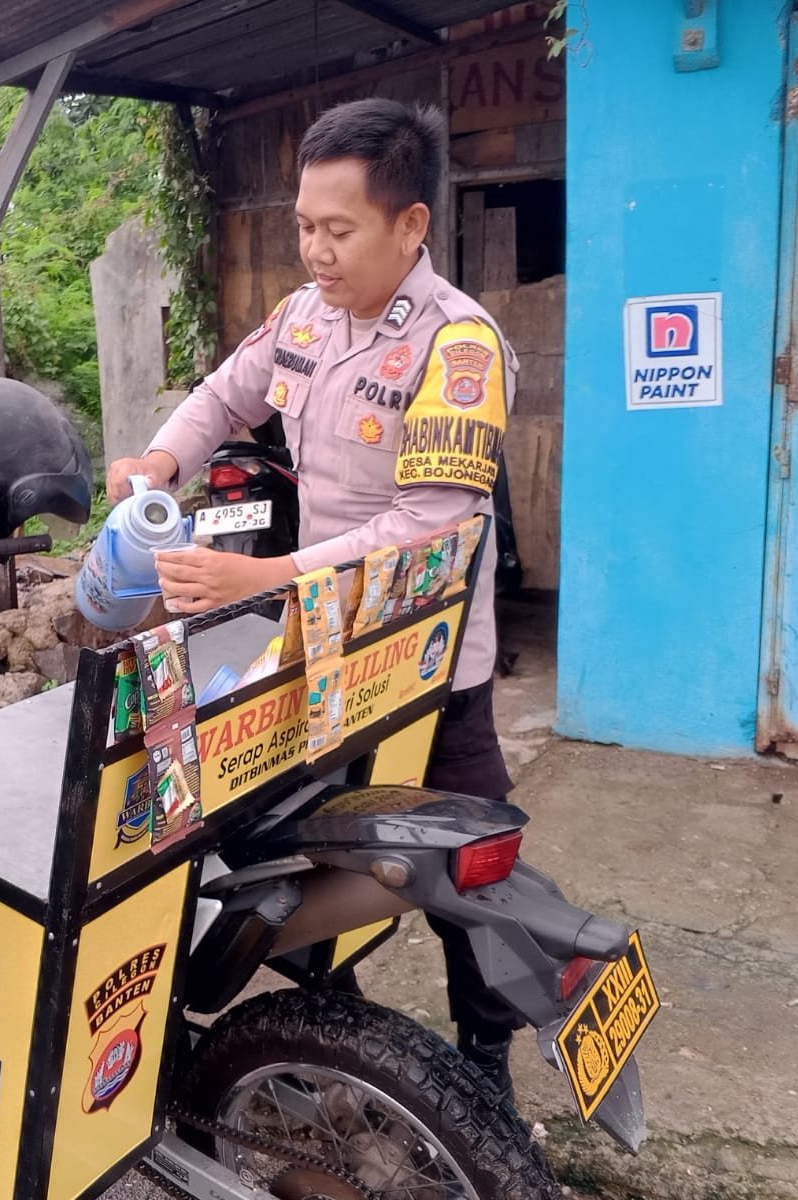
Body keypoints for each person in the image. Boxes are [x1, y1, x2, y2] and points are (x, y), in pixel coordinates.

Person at [106, 99, 522, 1103]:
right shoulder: (303, 318)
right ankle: (322, 1024)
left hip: (426, 659)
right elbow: (224, 394)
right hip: (319, 643)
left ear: (410, 225)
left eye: (339, 230)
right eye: (304, 226)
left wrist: (266, 578)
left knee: (475, 868)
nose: (316, 251)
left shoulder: (458, 347)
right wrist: (161, 459)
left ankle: (485, 1065)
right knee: (278, 834)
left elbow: (427, 529)